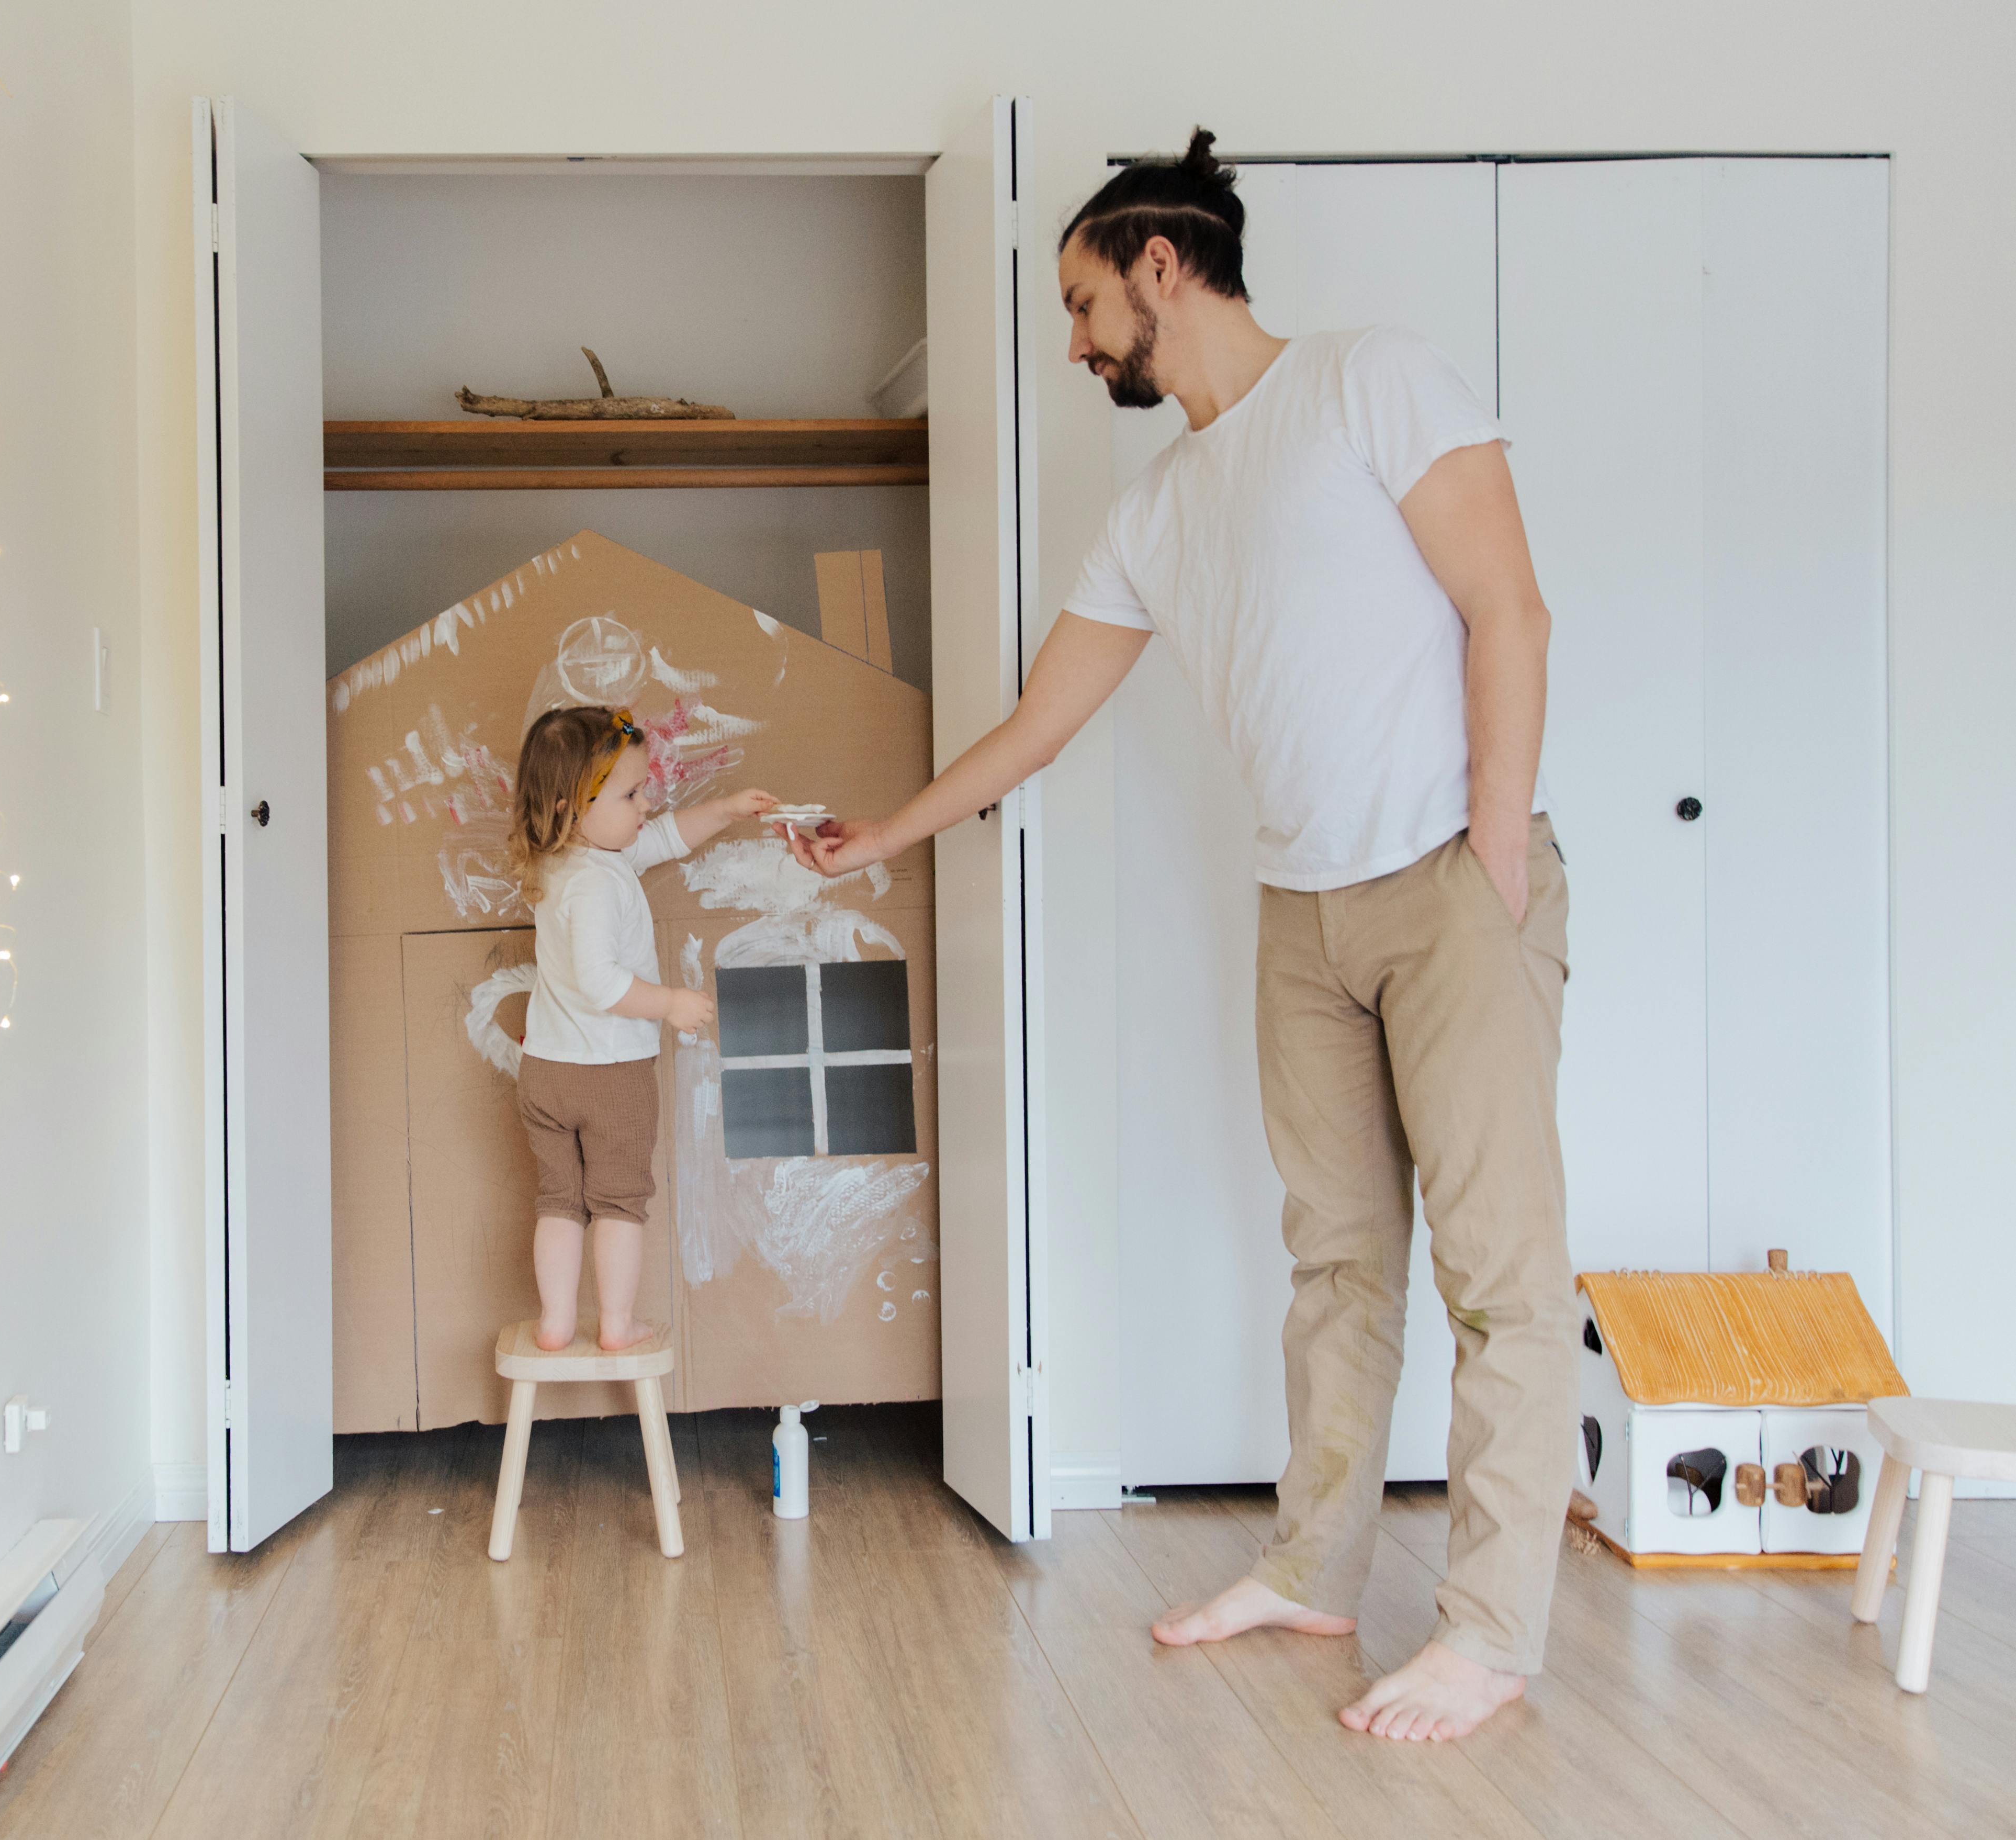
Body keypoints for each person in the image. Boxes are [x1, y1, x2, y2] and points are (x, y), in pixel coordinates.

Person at [791, 129, 1570, 1743]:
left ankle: (1493, 1630)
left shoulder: (1370, 379)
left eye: (1083, 303)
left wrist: (1493, 858)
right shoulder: (1161, 510)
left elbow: (1510, 603)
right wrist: (885, 831)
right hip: (1304, 908)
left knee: (1500, 1276)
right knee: (1338, 1263)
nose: (1075, 342)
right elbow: (1038, 725)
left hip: (1448, 879)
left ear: (1161, 264)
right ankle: (1316, 1566)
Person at [506, 705, 775, 1353]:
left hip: (545, 1071)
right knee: (619, 1205)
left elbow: (667, 836)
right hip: (610, 1077)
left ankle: (555, 1323)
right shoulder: (600, 883)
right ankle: (618, 1326)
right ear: (576, 806)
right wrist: (670, 1003)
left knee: (559, 1202)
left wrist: (728, 808)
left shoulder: (566, 863)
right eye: (631, 793)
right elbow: (601, 984)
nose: (646, 802)